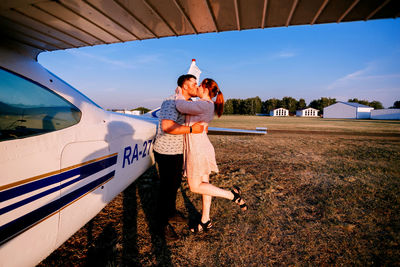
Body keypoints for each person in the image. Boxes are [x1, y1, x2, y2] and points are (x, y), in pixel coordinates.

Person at [175, 78, 248, 233]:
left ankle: (232, 195)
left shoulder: (203, 104)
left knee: (195, 187)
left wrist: (178, 92)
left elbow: (180, 106)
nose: (198, 88)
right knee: (204, 186)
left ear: (206, 90)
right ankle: (205, 220)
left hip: (197, 150)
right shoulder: (205, 104)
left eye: (200, 86)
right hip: (200, 147)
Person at [153, 74, 204, 239]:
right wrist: (191, 130)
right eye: (194, 84)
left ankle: (171, 212)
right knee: (166, 189)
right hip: (166, 151)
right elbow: (167, 126)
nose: (197, 86)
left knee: (174, 185)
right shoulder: (171, 101)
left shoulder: (187, 103)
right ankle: (160, 226)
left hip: (178, 151)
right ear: (185, 86)